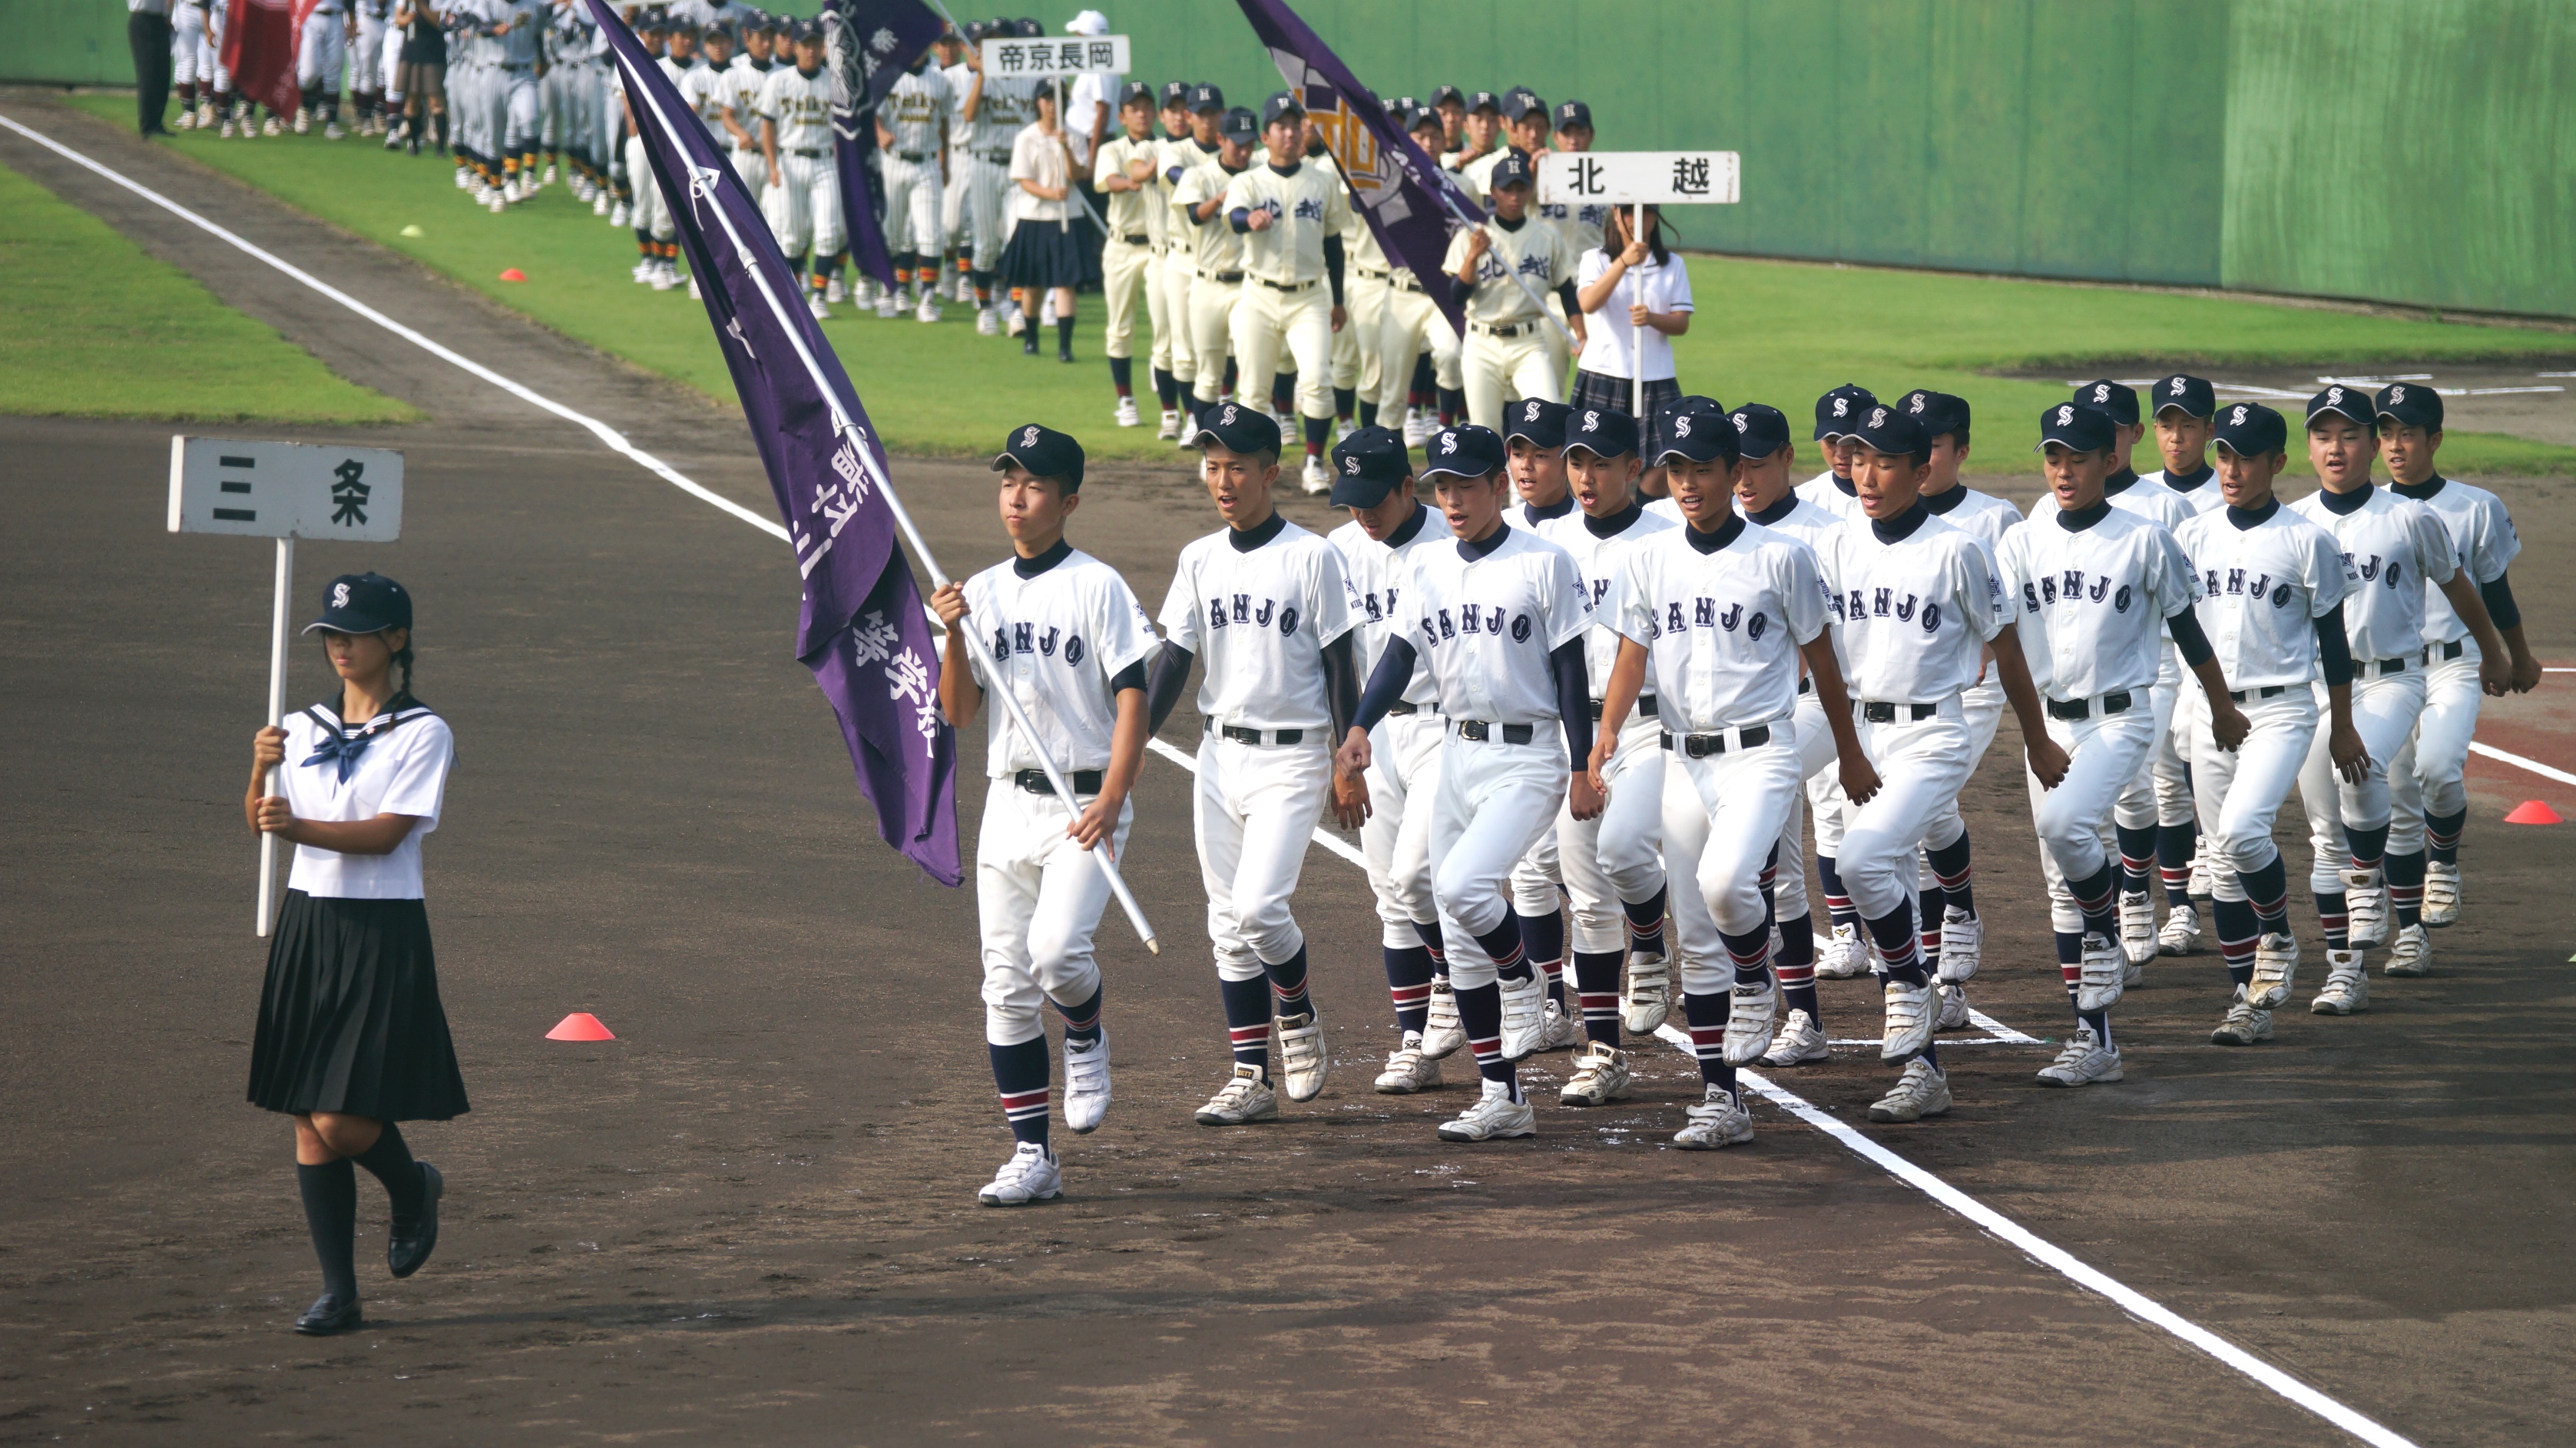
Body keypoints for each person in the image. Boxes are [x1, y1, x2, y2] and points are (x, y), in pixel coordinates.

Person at [1594, 406, 1872, 1145]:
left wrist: (1847, 752)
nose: (1687, 483)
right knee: (1694, 929)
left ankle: (1760, 977)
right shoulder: (1652, 559)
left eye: (1703, 470)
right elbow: (1630, 659)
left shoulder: (1781, 558)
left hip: (1764, 752)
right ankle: (1722, 1098)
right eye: (1676, 470)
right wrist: (1604, 740)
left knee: (1725, 886)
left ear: (1735, 473)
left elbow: (1824, 664)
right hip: (1681, 759)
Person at [1338, 423, 1600, 1142]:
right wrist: (1360, 725)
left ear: (1496, 486)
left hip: (1528, 755)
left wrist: (1581, 765)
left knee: (1461, 885)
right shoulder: (1428, 570)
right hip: (1457, 751)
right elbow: (1396, 656)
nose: (1451, 499)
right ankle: (1502, 1094)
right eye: (1440, 487)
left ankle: (1524, 977)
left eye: (1464, 485)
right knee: (1455, 935)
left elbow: (1573, 673)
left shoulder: (1544, 563)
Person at [1813, 404, 2061, 1123]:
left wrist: (2037, 738)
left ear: (1923, 471)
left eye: (1884, 461)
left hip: (1935, 733)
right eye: (1858, 459)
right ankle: (1924, 1071)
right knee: (1886, 869)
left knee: (1863, 861)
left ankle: (1909, 989)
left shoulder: (1959, 551)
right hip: (1865, 730)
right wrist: (1846, 746)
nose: (1866, 474)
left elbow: (2007, 648)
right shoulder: (1834, 547)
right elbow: (1819, 653)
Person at [929, 426, 1154, 1206]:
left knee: (1057, 954)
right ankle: (1033, 1155)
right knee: (1004, 983)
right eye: (1007, 483)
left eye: (1032, 484)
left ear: (1069, 500)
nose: (1016, 498)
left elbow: (1134, 696)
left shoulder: (1098, 586)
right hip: (1008, 802)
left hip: (1085, 802)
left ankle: (1086, 1030)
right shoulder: (981, 591)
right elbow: (958, 710)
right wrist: (953, 633)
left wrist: (1115, 794)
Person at [244, 573, 463, 1337]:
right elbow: (265, 820)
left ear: (395, 641)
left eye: (356, 634)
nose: (340, 647)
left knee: (340, 1116)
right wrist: (258, 766)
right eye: (331, 635)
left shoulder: (423, 733)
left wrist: (295, 828)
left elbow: (388, 832)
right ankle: (340, 1292)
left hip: (380, 929)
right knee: (308, 1119)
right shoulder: (297, 724)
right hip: (309, 921)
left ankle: (412, 1188)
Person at [2003, 404, 2244, 1085]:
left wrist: (2220, 707)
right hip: (2050, 719)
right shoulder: (2025, 538)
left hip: (2120, 718)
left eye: (2078, 457)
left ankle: (2106, 931)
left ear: (2108, 460)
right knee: (2061, 877)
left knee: (2063, 823)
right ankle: (2095, 1039)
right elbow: (1998, 631)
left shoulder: (2144, 539)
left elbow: (2188, 631)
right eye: (2054, 457)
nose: (2064, 471)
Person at [1148, 406, 1365, 1127]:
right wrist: (1122, 750)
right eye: (1212, 466)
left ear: (1270, 471)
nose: (1223, 480)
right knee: (1224, 922)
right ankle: (1249, 1075)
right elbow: (1173, 661)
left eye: (1237, 466)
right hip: (1219, 755)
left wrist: (1347, 757)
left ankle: (1296, 1010)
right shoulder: (1198, 558)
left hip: (1294, 756)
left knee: (1258, 907)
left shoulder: (1313, 556)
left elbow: (1341, 663)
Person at [2289, 386, 2512, 1002]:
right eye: (2323, 436)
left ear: (2368, 442)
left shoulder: (2410, 517)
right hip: (2316, 686)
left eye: (2350, 435)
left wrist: (2493, 650)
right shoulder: (2297, 522)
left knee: (2360, 774)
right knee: (2323, 832)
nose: (2337, 448)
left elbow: (2460, 586)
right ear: (2308, 447)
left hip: (2393, 678)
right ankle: (2347, 970)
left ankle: (2385, 900)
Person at [2173, 403, 2366, 1047]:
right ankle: (2246, 1002)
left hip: (2282, 708)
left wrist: (2341, 725)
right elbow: (2177, 628)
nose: (2231, 468)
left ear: (2277, 463)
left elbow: (2335, 645)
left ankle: (2280, 935)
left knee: (2241, 830)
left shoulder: (2306, 541)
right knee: (2224, 867)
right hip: (2210, 706)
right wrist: (2187, 705)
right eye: (2223, 454)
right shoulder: (2194, 535)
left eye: (2245, 456)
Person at [1531, 406, 1682, 1107]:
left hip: (1652, 726)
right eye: (1577, 462)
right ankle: (1602, 1053)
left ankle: (1649, 940)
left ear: (1634, 467)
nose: (1586, 477)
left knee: (1624, 852)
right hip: (1575, 727)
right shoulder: (1547, 539)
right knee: (1588, 901)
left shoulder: (1670, 535)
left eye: (1602, 463)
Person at [2372, 383, 2541, 936]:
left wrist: (2517, 657)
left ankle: (2442, 861)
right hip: (2387, 668)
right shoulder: (2369, 511)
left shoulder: (2475, 507)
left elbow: (2495, 590)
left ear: (2435, 439)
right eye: (2387, 433)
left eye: (2409, 434)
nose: (2396, 445)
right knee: (2398, 802)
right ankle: (2409, 937)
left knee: (2439, 768)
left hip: (2454, 663)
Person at [1721, 403, 1853, 1068]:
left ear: (1787, 460)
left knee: (1757, 839)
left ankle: (1765, 986)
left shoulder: (1827, 532)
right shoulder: (1717, 529)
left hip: (1813, 710)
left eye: (1757, 463)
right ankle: (1797, 1007)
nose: (1743, 478)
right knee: (1781, 865)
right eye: (1734, 464)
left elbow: (1829, 641)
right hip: (1740, 719)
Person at [1323, 426, 1455, 1093]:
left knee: (1418, 875)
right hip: (1374, 736)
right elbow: (1337, 660)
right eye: (1351, 502)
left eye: (1374, 500)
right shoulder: (1339, 551)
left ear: (1409, 487)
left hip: (1447, 729)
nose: (1363, 515)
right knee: (1390, 896)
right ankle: (1415, 1043)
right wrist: (1345, 750)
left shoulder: (1456, 541)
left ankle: (1462, 981)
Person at [1894, 389, 2018, 1024]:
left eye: (1933, 444)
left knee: (1923, 810)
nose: (1919, 454)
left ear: (1960, 451)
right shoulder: (1879, 519)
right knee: (1907, 829)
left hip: (1971, 693)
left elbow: (2014, 614)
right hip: (1900, 696)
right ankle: (1945, 986)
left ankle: (1959, 912)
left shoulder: (1994, 520)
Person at [1220, 92, 1353, 492]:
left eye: (1296, 124)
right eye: (1282, 125)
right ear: (1265, 135)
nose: (1291, 132)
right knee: (1255, 389)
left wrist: (1340, 299)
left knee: (1316, 379)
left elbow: (1334, 244)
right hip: (1258, 294)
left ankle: (1314, 463)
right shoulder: (1248, 180)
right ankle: (1251, 467)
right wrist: (1250, 218)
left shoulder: (1323, 180)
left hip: (1310, 297)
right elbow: (1234, 217)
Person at [2133, 374, 2225, 950]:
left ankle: (2217, 850)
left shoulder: (2235, 491)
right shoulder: (2138, 494)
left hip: (2214, 656)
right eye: (2166, 424)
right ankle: (2181, 907)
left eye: (2188, 424)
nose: (2176, 436)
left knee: (2200, 756)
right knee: (2164, 782)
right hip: (2157, 655)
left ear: (2209, 431)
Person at [1447, 151, 1582, 431]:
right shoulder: (1473, 236)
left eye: (1521, 188)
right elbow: (1456, 296)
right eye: (1507, 189)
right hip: (1481, 342)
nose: (1515, 196)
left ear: (1530, 190)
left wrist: (1580, 334)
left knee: (1547, 418)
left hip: (1530, 341)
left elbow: (1567, 290)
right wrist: (1473, 256)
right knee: (1486, 430)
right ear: (1493, 192)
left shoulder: (1547, 236)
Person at [1573, 204, 1692, 473]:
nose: (1637, 219)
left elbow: (1681, 322)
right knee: (1599, 460)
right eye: (1628, 211)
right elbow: (1589, 303)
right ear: (1615, 213)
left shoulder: (1672, 264)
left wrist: (1652, 318)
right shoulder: (1595, 259)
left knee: (1662, 464)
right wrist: (1624, 262)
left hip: (1655, 374)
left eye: (1646, 211)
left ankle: (1645, 508)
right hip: (1603, 371)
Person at [1376, 104, 1467, 442]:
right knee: (1393, 387)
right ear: (1406, 140)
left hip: (1442, 293)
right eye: (1420, 136)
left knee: (1450, 354)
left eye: (1435, 136)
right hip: (1402, 292)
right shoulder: (1389, 185)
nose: (1428, 142)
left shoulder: (1461, 185)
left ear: (1445, 141)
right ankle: (1385, 455)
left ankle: (1445, 433)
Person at [1172, 106, 1257, 432]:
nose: (1244, 151)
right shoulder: (1200, 175)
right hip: (1207, 282)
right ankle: (1206, 438)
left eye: (1249, 144)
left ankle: (1243, 439)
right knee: (1208, 370)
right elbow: (1195, 215)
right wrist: (1225, 197)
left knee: (1249, 365)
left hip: (1247, 286)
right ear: (1221, 140)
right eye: (1238, 143)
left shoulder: (1260, 174)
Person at [757, 22, 846, 316]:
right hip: (790, 159)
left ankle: (819, 296)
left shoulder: (835, 81)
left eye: (816, 44)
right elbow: (767, 125)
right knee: (793, 236)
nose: (811, 50)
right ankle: (795, 295)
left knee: (829, 230)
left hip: (824, 162)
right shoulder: (779, 81)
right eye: (805, 44)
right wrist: (772, 165)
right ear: (794, 47)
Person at [1094, 81, 1167, 426]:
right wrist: (1131, 181)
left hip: (1157, 247)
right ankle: (1126, 399)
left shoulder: (1166, 147)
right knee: (1120, 327)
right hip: (1122, 245)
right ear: (1122, 116)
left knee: (1164, 318)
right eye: (1133, 108)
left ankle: (1160, 364)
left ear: (1155, 113)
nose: (1141, 113)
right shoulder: (1114, 148)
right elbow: (1108, 180)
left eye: (1146, 107)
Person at [1000, 83, 1087, 361]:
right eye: (1048, 99)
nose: (1053, 104)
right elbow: (1024, 180)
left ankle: (1065, 346)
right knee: (1033, 284)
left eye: (1059, 99)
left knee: (1065, 284)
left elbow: (1077, 174)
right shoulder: (1027, 137)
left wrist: (1066, 149)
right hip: (1035, 217)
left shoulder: (1073, 136)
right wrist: (1050, 193)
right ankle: (1032, 339)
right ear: (1038, 102)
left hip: (1067, 216)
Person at [877, 48, 955, 323]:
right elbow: (872, 113)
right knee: (894, 233)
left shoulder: (941, 81)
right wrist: (879, 132)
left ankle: (928, 298)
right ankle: (893, 291)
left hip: (928, 162)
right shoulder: (887, 77)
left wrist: (945, 164)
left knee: (931, 233)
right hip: (894, 161)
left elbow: (944, 124)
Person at [392, 0, 446, 159]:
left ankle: (440, 147)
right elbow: (398, 18)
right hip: (412, 49)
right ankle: (414, 143)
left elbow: (439, 22)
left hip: (433, 51)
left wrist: (421, 6)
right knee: (411, 101)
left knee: (436, 101)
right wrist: (407, 19)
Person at [131, 0, 177, 137]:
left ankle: (157, 123)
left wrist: (167, 16)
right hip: (142, 17)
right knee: (148, 74)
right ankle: (147, 124)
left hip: (160, 19)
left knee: (162, 74)